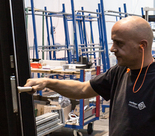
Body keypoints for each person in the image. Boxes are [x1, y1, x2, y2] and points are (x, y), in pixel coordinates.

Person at [24, 16, 155, 136]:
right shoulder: (120, 71)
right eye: (113, 42)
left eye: (119, 43)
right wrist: (48, 82)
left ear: (142, 46)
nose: (112, 49)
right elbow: (82, 89)